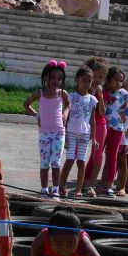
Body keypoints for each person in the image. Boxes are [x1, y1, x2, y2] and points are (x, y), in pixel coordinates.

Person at [23, 60, 69, 197]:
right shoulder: (40, 93)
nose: (56, 81)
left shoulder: (62, 93)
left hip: (59, 133)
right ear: (46, 77)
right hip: (44, 134)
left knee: (55, 163)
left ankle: (55, 189)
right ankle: (44, 190)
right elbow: (26, 104)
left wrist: (65, 113)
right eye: (53, 77)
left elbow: (68, 104)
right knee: (44, 163)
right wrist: (37, 117)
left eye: (59, 78)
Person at [100, 67, 128, 197]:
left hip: (119, 132)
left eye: (121, 81)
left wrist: (127, 113)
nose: (119, 83)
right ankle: (101, 184)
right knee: (102, 156)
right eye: (116, 80)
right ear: (108, 79)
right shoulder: (104, 92)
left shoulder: (122, 94)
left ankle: (115, 186)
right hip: (104, 128)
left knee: (118, 160)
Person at [58, 67, 99, 198]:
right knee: (70, 160)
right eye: (84, 80)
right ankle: (62, 186)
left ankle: (78, 189)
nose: (86, 84)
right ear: (77, 80)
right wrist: (64, 134)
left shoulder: (92, 99)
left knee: (81, 161)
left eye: (89, 81)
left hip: (85, 134)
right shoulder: (71, 97)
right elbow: (66, 116)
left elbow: (92, 120)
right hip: (71, 132)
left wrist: (94, 137)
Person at [82, 56, 109, 197]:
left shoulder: (103, 92)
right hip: (85, 124)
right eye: (96, 76)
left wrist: (100, 96)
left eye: (101, 77)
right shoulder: (84, 88)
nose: (98, 80)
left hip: (100, 124)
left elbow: (102, 112)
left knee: (97, 154)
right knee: (82, 153)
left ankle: (91, 184)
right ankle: (83, 182)